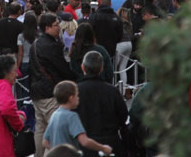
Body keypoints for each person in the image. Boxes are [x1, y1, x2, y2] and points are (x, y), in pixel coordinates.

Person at [29, 13, 77, 157]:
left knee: (40, 129)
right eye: (56, 25)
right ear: (47, 27)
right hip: (50, 93)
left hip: (37, 92)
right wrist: (74, 79)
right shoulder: (50, 45)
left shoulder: (35, 44)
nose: (59, 27)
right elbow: (61, 68)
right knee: (55, 131)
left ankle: (39, 154)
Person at [75, 51, 128, 157]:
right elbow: (123, 116)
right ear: (101, 68)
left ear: (83, 68)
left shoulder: (75, 91)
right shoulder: (112, 91)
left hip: (84, 145)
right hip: (110, 143)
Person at [42, 80, 112, 155]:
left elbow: (45, 142)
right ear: (71, 98)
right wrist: (103, 148)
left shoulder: (54, 115)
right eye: (77, 95)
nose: (78, 98)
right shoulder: (71, 116)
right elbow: (84, 142)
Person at [115, 6, 133, 90]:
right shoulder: (129, 24)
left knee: (114, 69)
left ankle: (113, 87)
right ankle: (123, 90)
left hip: (120, 44)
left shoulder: (117, 22)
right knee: (123, 68)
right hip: (129, 44)